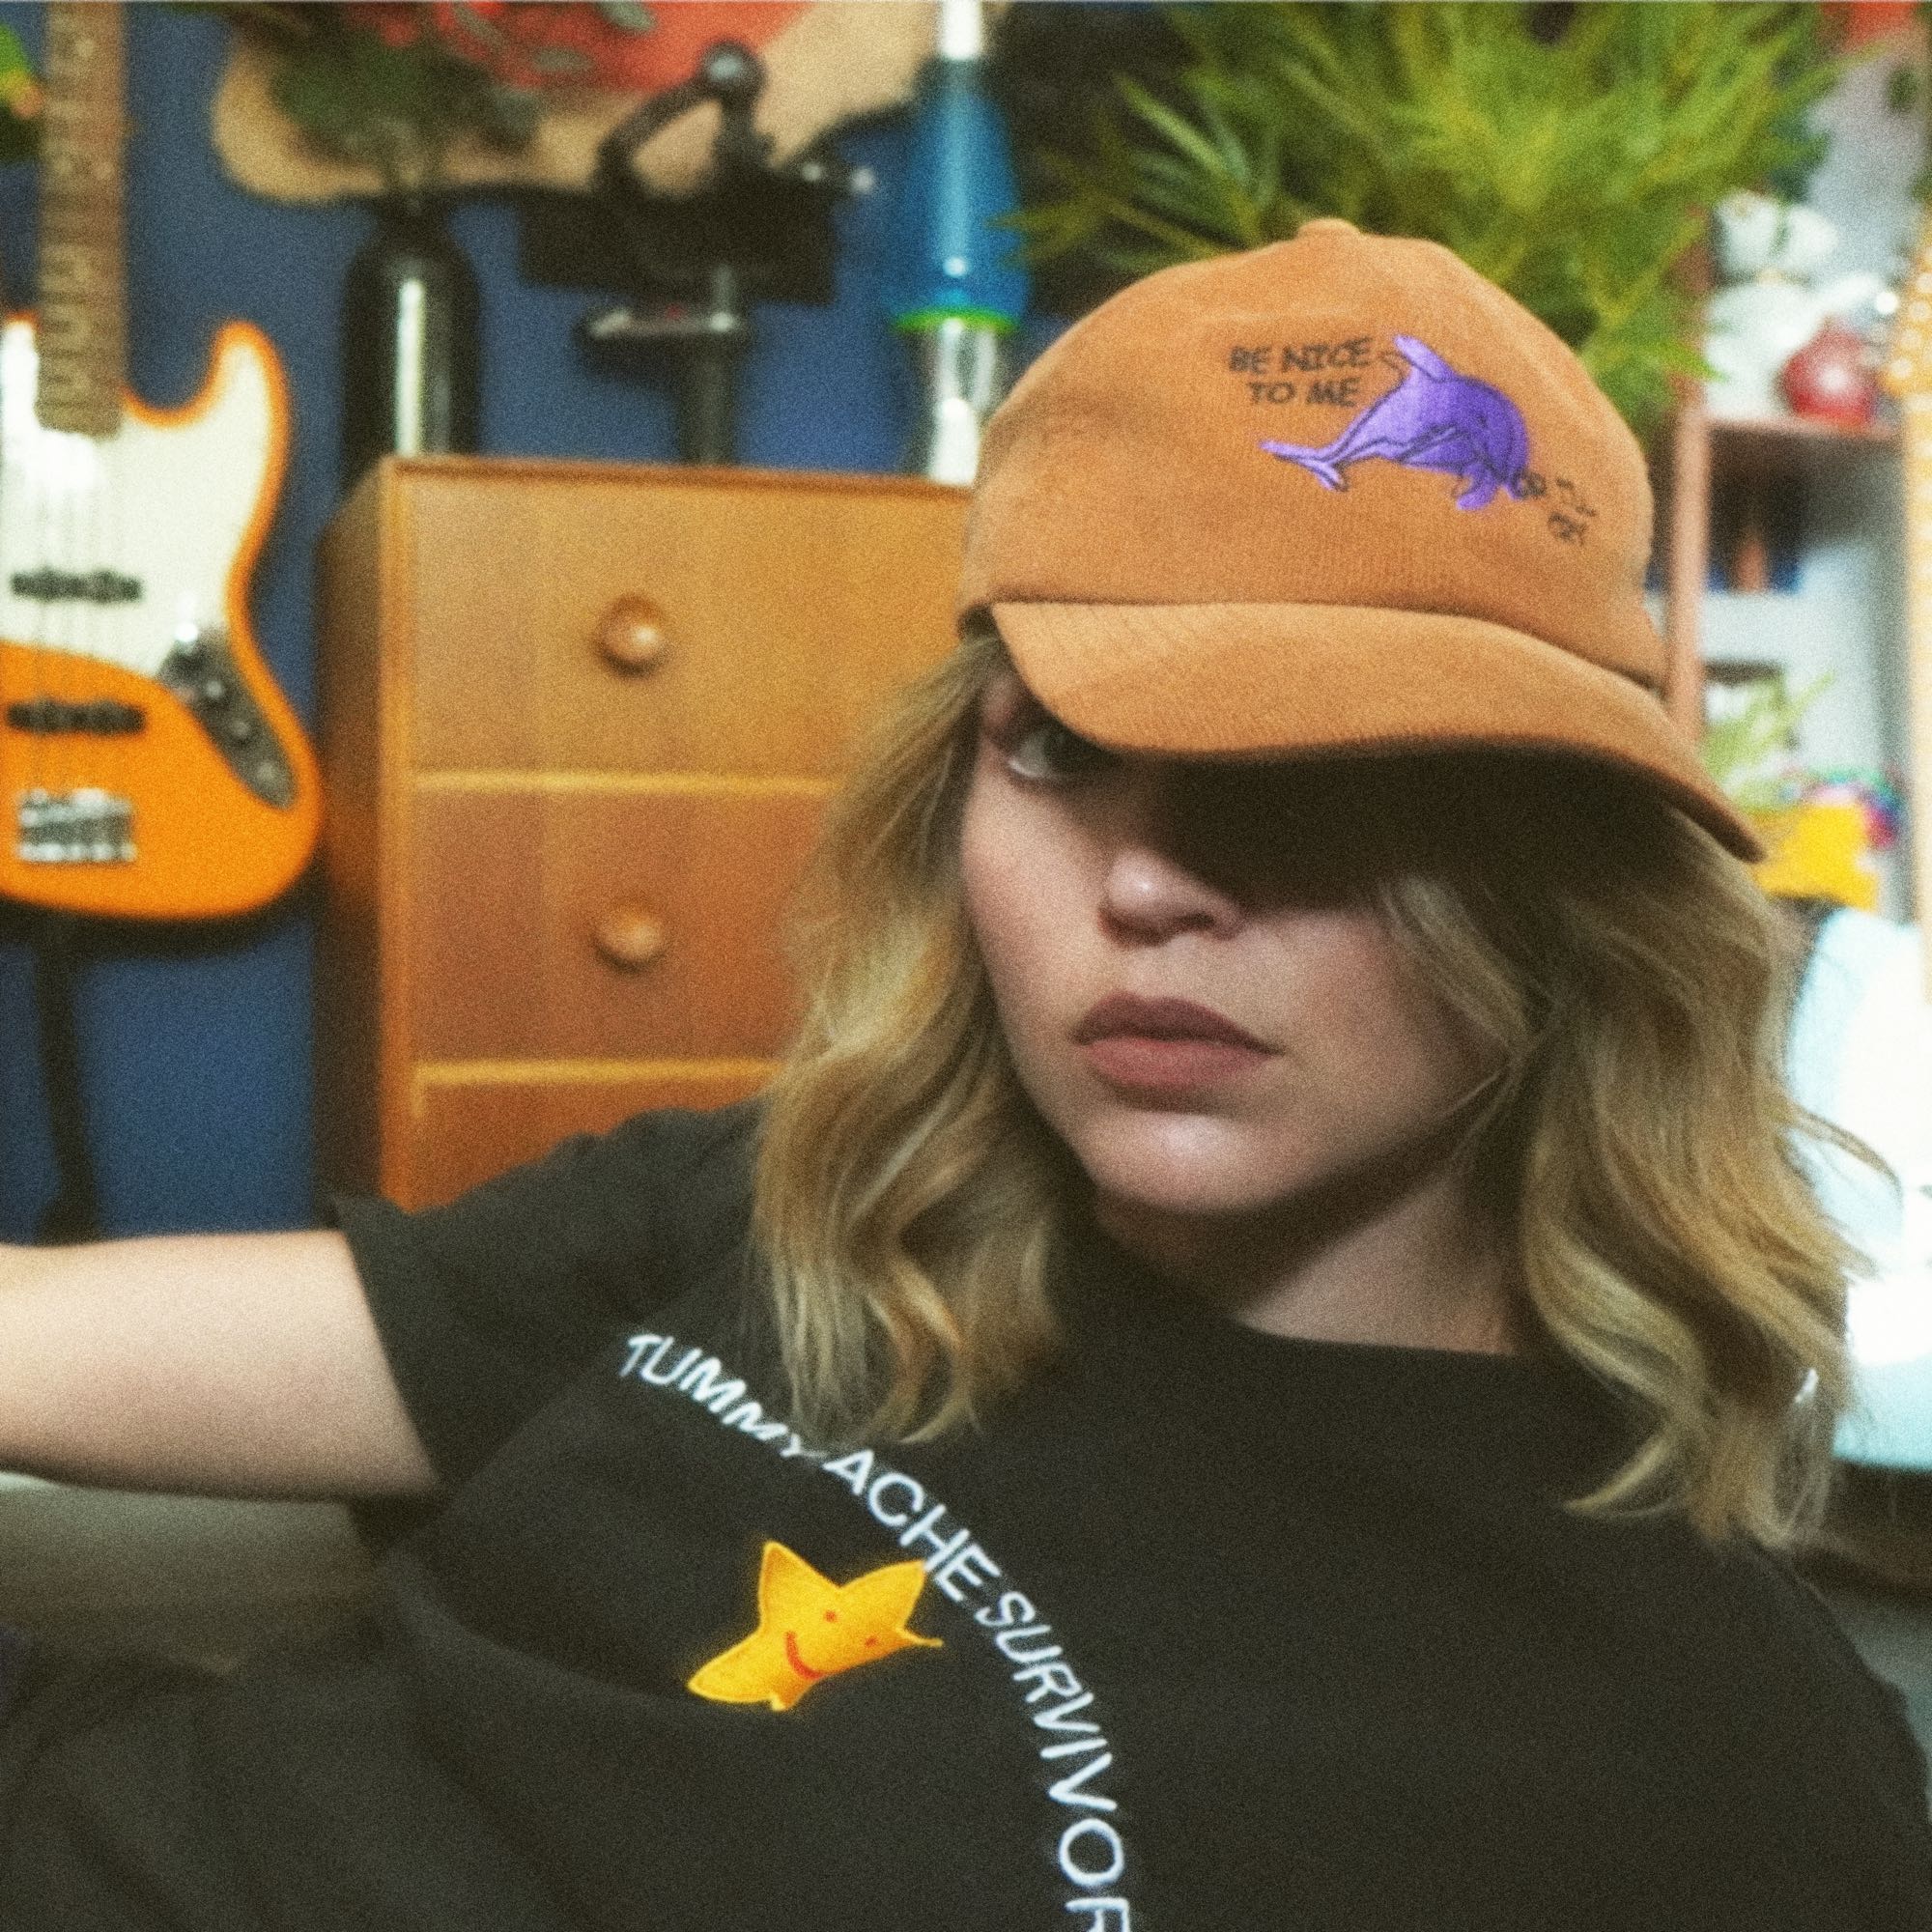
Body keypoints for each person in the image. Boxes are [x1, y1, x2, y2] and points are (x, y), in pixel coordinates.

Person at [0, 218, 1926, 1931]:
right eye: (1062, 750)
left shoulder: (1717, 1768)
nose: (1152, 885)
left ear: (1569, 876)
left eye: (1324, 768)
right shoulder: (818, 1197)